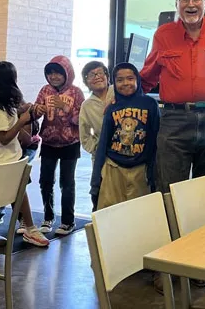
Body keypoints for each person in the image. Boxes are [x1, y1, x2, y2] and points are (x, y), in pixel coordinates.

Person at [140, 0, 205, 194]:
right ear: (176, 4)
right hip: (174, 121)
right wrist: (121, 96)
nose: (191, 5)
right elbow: (149, 74)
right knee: (169, 187)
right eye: (185, 0)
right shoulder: (163, 34)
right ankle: (169, 229)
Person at [0, 61, 49, 247]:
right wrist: (21, 122)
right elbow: (4, 138)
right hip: (0, 158)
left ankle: (29, 227)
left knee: (18, 190)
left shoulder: (5, 102)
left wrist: (27, 110)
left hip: (10, 157)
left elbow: (15, 116)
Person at [91, 62, 159, 209]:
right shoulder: (112, 107)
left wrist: (153, 174)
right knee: (109, 214)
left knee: (138, 215)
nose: (125, 83)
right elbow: (103, 142)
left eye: (130, 78)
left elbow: (155, 140)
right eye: (120, 80)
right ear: (114, 83)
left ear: (138, 80)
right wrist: (95, 181)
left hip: (140, 170)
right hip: (113, 168)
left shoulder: (150, 104)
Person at [33, 55, 84, 235]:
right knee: (45, 181)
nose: (53, 77)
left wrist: (67, 108)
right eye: (50, 73)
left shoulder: (76, 92)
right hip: (48, 142)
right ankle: (48, 217)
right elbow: (35, 114)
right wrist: (37, 110)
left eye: (58, 73)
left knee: (67, 183)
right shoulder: (45, 90)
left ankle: (68, 221)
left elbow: (81, 120)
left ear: (67, 73)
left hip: (71, 143)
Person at [79, 60, 114, 210]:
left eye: (100, 73)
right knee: (100, 193)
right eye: (91, 75)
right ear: (86, 82)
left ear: (107, 76)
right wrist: (97, 148)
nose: (97, 77)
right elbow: (84, 134)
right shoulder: (87, 105)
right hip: (103, 156)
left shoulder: (117, 91)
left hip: (127, 151)